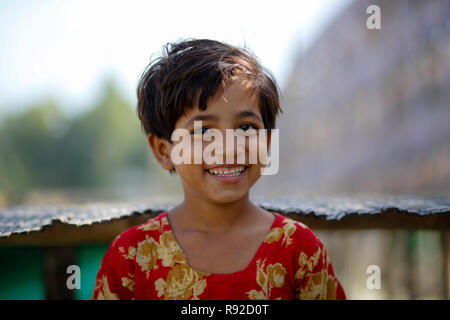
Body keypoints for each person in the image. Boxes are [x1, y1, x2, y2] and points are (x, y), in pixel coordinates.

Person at [92, 38, 346, 300]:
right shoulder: (132, 257)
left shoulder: (299, 250)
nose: (228, 148)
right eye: (203, 131)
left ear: (267, 142)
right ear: (164, 151)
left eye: (246, 127)